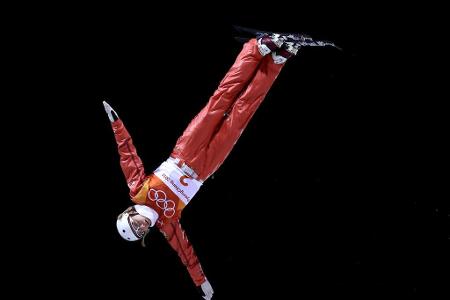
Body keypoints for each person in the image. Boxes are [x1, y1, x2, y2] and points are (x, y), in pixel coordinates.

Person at [104, 32, 304, 300]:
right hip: (205, 169)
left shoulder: (138, 191)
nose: (142, 228)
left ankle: (257, 48)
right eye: (139, 233)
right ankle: (277, 60)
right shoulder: (166, 225)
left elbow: (128, 155)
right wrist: (201, 281)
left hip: (184, 152)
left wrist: (116, 124)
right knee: (241, 115)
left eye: (134, 225)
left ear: (129, 214)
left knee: (219, 102)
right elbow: (185, 253)